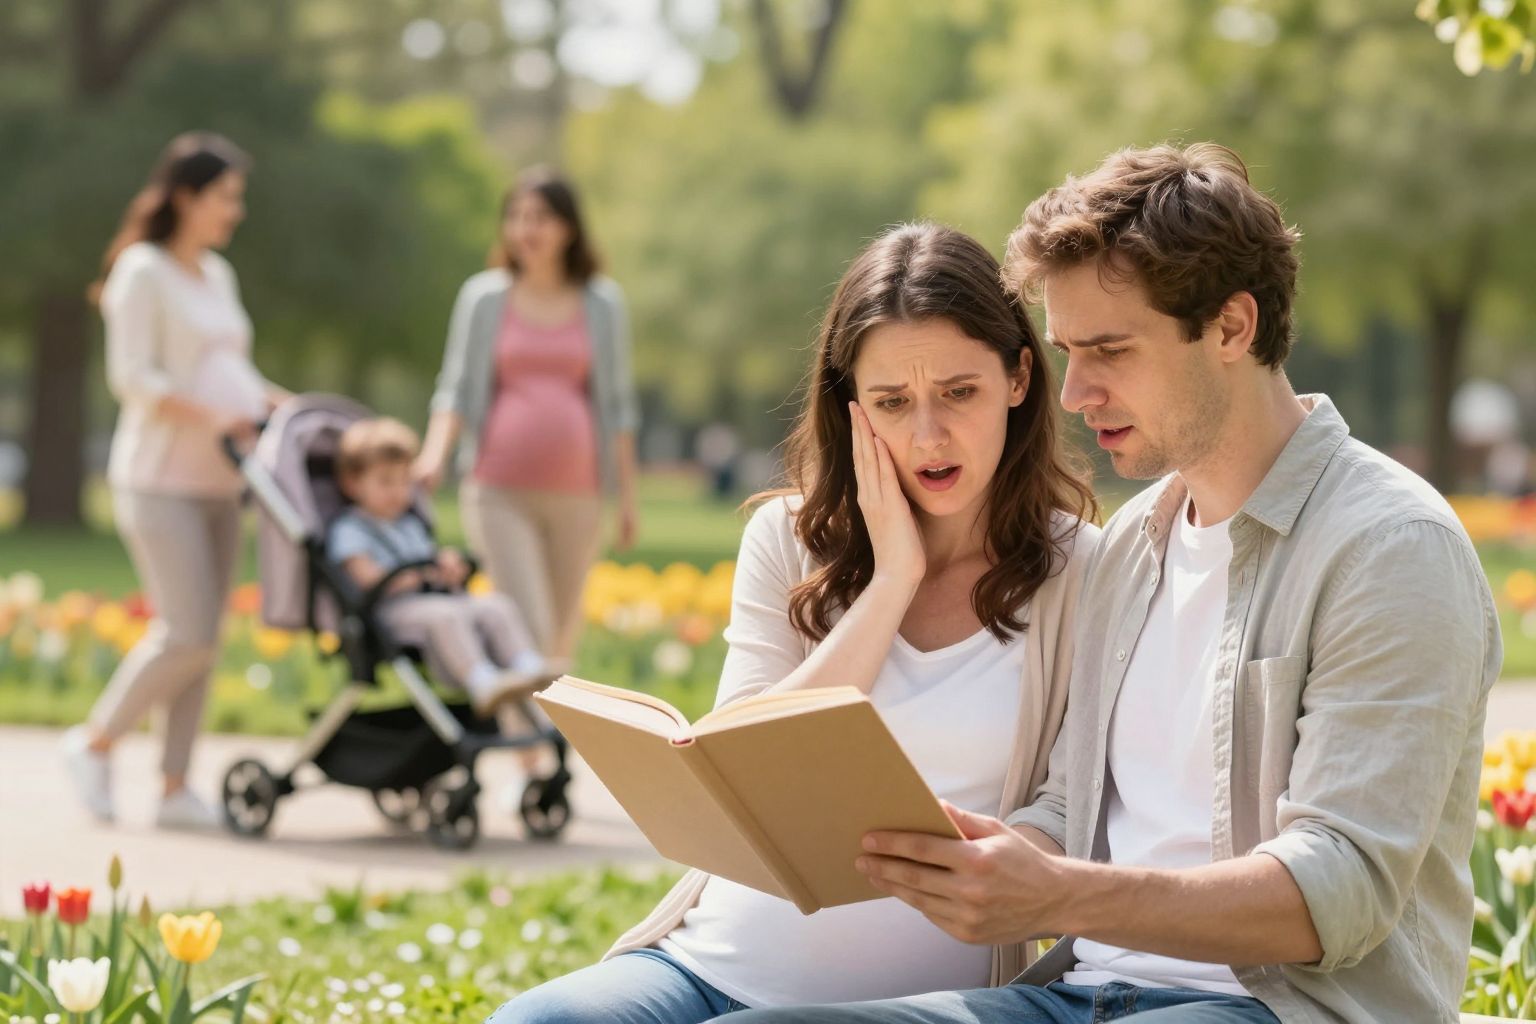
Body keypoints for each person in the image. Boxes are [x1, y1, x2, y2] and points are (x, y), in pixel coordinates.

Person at [724, 144, 1503, 1024]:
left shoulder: (1388, 546)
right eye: (1064, 351)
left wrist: (1060, 894)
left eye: (1108, 351)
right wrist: (993, 857)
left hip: (1275, 1009)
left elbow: (1341, 888)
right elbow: (1073, 803)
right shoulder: (1134, 543)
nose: (1072, 393)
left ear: (1232, 328)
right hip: (1082, 995)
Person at [484, 222, 1100, 1024]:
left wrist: (1000, 859)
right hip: (708, 965)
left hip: (910, 1001)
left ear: (1019, 378)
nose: (927, 435)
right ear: (850, 410)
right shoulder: (784, 539)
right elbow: (744, 759)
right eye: (891, 402)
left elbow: (1067, 812)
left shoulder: (1082, 569)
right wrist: (891, 584)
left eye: (959, 392)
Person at [63, 132, 289, 829]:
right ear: (187, 197)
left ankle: (172, 788)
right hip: (157, 480)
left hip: (221, 482)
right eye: (226, 197)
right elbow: (135, 378)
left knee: (206, 640)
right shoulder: (142, 270)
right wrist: (220, 414)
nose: (235, 211)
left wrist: (285, 405)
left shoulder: (216, 274)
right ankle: (94, 744)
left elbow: (237, 373)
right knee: (185, 631)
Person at [415, 168, 640, 669]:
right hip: (499, 489)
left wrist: (626, 498)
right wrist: (433, 457)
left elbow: (619, 405)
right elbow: (455, 388)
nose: (525, 229)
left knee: (560, 632)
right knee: (528, 624)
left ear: (568, 228)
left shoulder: (602, 303)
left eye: (539, 217)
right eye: (516, 217)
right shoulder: (484, 298)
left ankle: (534, 739)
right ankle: (533, 748)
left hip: (578, 495)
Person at [329, 416, 557, 716]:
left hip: (431, 600)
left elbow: (430, 564)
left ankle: (529, 668)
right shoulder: (350, 530)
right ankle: (481, 681)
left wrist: (447, 569)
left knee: (495, 606)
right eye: (385, 482)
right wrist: (411, 577)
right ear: (352, 483)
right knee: (446, 615)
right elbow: (366, 577)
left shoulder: (409, 524)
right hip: (391, 611)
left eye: (403, 481)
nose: (398, 492)